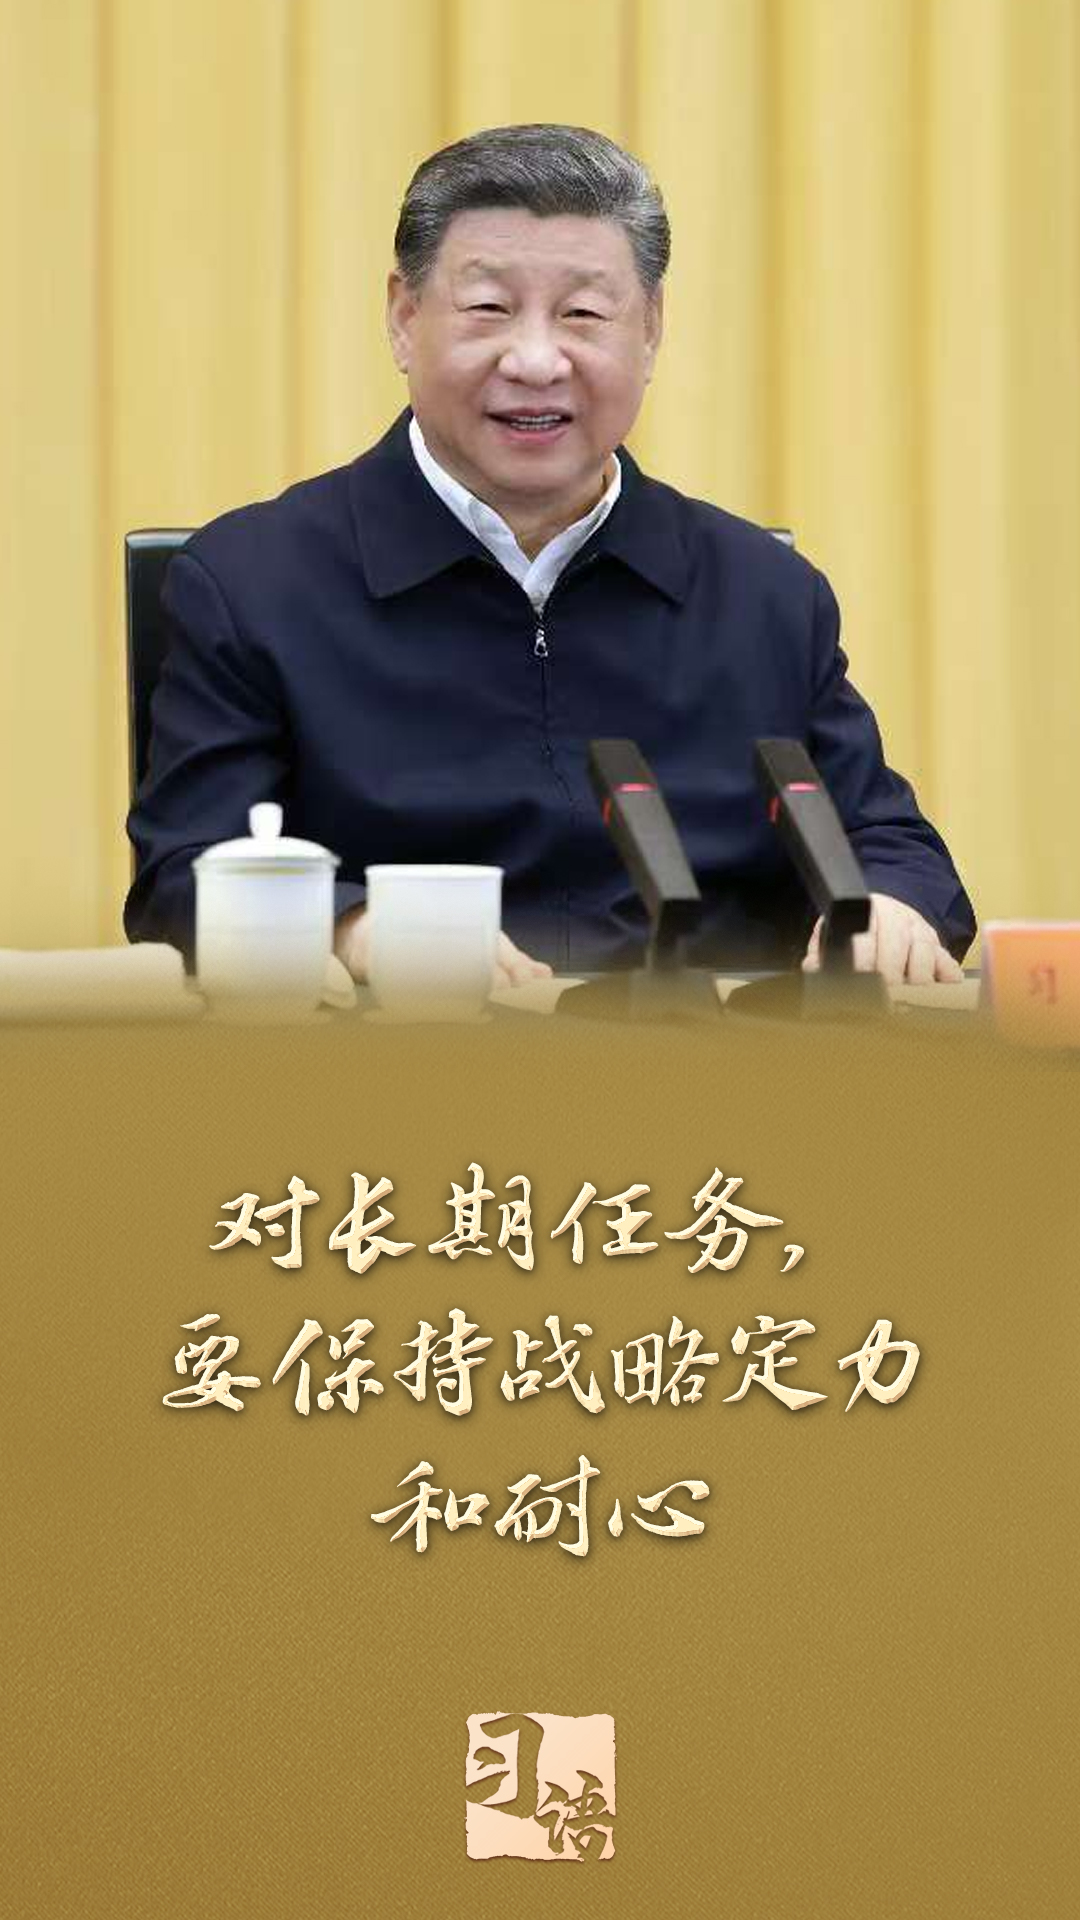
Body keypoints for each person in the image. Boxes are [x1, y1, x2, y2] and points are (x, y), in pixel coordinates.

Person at [125, 124, 974, 987]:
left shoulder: (764, 594)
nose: (535, 361)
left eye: (584, 315)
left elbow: (890, 842)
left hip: (705, 1057)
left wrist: (890, 908)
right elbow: (180, 877)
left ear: (651, 329)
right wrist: (350, 928)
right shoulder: (253, 584)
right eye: (488, 309)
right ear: (405, 318)